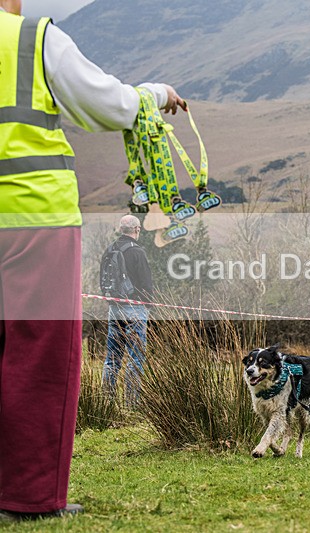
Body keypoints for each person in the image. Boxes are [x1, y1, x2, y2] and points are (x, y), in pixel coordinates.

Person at [0, 2, 184, 521]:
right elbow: (110, 107)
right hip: (32, 216)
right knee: (40, 352)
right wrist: (156, 93)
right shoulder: (31, 38)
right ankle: (28, 497)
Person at [102, 215, 154, 408]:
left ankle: (106, 402)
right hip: (135, 310)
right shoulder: (137, 252)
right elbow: (146, 283)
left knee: (112, 359)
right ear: (137, 229)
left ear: (120, 229)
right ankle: (131, 404)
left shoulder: (109, 250)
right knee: (135, 358)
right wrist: (148, 305)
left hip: (114, 309)